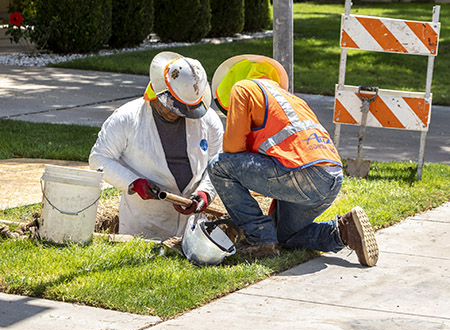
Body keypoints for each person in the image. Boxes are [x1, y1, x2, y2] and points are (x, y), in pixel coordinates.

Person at [208, 54, 379, 266]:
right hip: (331, 176)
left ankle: (259, 239)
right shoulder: (292, 100)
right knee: (284, 237)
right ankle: (343, 231)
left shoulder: (242, 88)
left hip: (304, 175)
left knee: (218, 166)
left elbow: (232, 150)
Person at [89, 51, 223, 240]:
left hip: (192, 230)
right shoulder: (126, 118)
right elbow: (98, 158)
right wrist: (134, 182)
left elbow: (217, 164)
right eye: (172, 106)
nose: (177, 113)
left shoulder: (208, 120)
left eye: (184, 108)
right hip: (143, 227)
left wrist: (204, 194)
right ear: (159, 90)